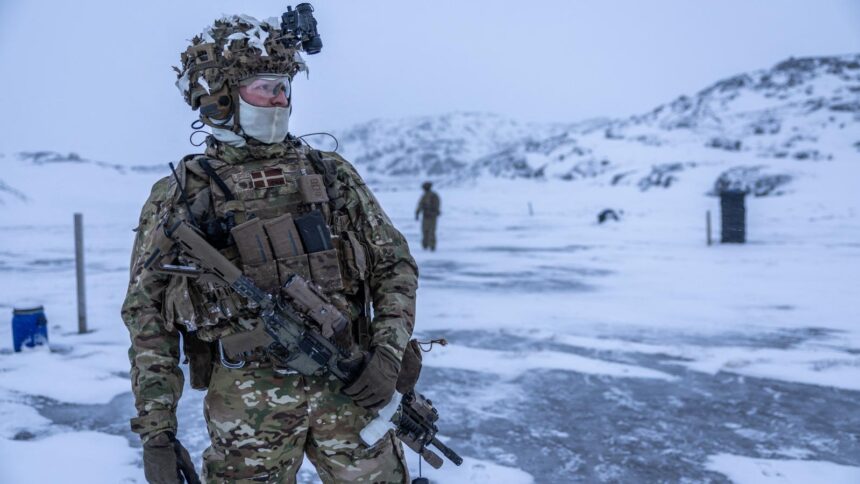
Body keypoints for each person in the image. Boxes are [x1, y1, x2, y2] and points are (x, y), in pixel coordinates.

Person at [121, 13, 418, 483]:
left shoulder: (331, 174)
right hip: (248, 415)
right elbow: (147, 315)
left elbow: (394, 265)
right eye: (265, 87)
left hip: (351, 389)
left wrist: (387, 355)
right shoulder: (181, 195)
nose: (281, 98)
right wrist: (157, 432)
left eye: (284, 87)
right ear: (218, 98)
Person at [414, 182, 440, 251]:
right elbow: (420, 205)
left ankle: (431, 246)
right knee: (425, 230)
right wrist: (417, 213)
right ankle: (425, 245)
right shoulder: (424, 196)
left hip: (432, 216)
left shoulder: (433, 196)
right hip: (426, 216)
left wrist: (433, 212)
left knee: (431, 231)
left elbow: (437, 206)